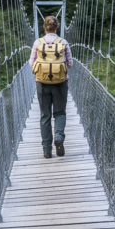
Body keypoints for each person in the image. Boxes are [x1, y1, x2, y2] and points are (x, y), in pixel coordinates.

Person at [30, 15, 72, 158]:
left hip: (42, 84)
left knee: (45, 116)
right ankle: (59, 137)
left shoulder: (38, 43)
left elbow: (31, 63)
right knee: (60, 113)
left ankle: (47, 150)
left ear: (44, 27)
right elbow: (70, 63)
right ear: (57, 27)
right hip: (60, 83)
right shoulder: (63, 42)